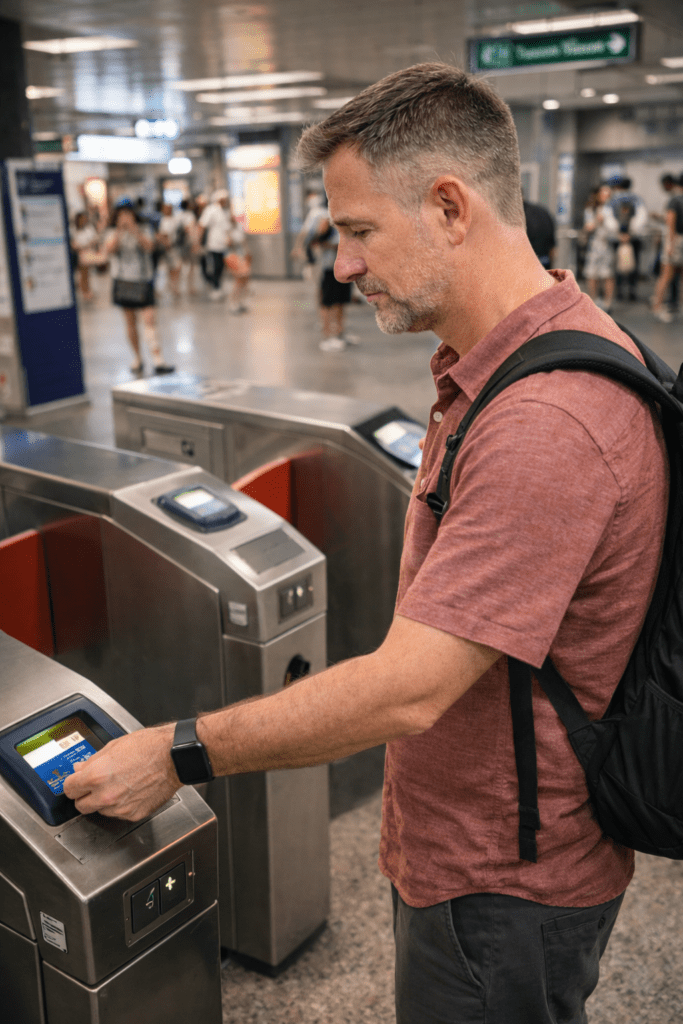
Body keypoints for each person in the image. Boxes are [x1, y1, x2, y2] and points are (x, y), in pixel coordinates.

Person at [64, 63, 667, 1024]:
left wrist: (176, 754)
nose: (340, 263)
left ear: (448, 207)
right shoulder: (506, 363)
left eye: (357, 230)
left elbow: (410, 687)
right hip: (476, 847)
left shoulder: (548, 419)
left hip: (501, 883)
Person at [104, 201, 175, 375]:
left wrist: (134, 230)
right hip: (123, 281)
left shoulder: (143, 229)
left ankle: (158, 359)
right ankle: (138, 358)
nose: (125, 218)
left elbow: (149, 247)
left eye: (128, 214)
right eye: (122, 215)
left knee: (149, 319)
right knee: (130, 322)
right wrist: (121, 230)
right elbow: (110, 250)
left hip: (143, 280)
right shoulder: (112, 232)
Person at [651, 171, 683, 323]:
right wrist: (670, 244)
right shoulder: (675, 199)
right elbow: (670, 221)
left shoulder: (676, 199)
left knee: (673, 275)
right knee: (667, 274)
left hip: (677, 239)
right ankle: (657, 307)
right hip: (675, 239)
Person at [582, 182, 616, 311]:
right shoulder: (591, 209)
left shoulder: (612, 209)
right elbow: (588, 227)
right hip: (594, 245)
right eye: (603, 192)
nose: (606, 195)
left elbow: (615, 227)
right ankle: (594, 301)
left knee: (607, 274)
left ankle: (608, 303)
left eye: (608, 192)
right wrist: (597, 221)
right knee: (592, 273)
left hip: (607, 244)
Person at [198, 188, 231, 300]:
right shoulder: (210, 210)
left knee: (222, 267)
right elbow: (202, 226)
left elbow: (227, 228)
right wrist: (198, 242)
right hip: (213, 244)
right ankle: (215, 287)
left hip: (224, 244)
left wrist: (229, 238)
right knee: (215, 266)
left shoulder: (225, 211)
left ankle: (218, 286)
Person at [224, 209, 252, 313]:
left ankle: (241, 301)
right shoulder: (227, 231)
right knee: (238, 280)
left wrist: (248, 254)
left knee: (245, 280)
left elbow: (244, 244)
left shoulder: (239, 229)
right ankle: (233, 303)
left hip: (242, 257)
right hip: (233, 257)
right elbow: (228, 244)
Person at [156, 202, 183, 299]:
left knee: (174, 268)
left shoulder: (173, 220)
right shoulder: (164, 220)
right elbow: (163, 234)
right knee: (169, 268)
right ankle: (167, 288)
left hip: (172, 247)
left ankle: (173, 287)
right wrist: (166, 244)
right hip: (167, 248)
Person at [70, 211, 99, 301]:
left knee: (87, 273)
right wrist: (81, 247)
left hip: (88, 253)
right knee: (83, 274)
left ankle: (88, 290)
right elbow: (73, 244)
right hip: (79, 254)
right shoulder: (73, 229)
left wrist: (90, 244)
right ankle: (84, 291)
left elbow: (95, 239)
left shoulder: (88, 228)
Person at [522, 197, 556, 269]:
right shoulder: (543, 212)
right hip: (545, 263)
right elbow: (552, 248)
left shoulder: (516, 216)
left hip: (525, 267)